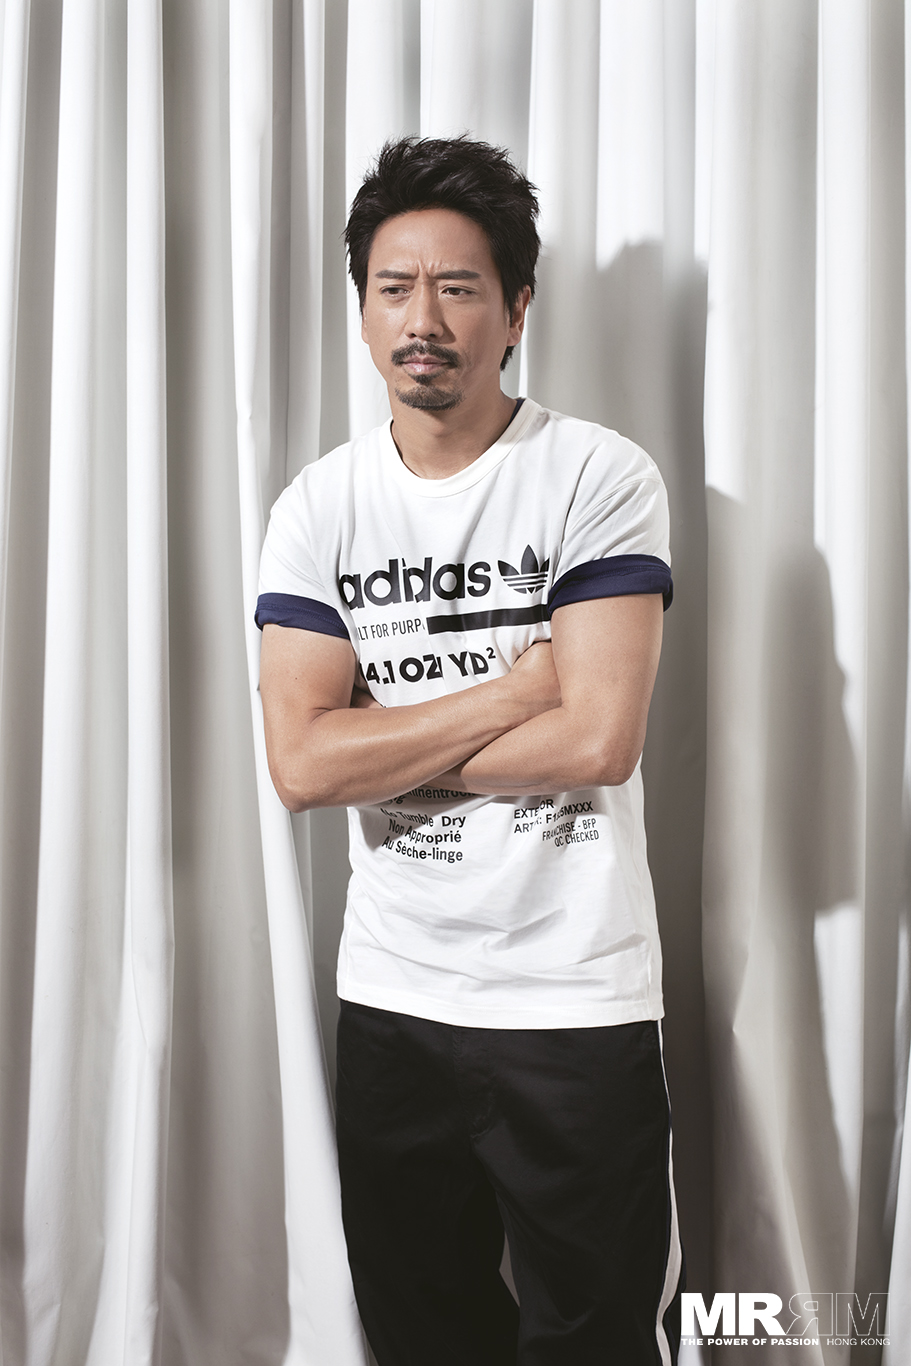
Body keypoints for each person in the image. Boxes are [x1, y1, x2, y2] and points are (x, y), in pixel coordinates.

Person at [256, 135, 683, 1366]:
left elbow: (596, 739)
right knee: (420, 1332)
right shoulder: (318, 507)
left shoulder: (594, 474)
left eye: (457, 288)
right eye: (394, 288)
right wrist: (517, 688)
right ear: (361, 312)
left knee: (595, 1335)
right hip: (393, 997)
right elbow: (299, 768)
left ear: (515, 309)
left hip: (573, 993)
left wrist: (380, 740)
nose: (423, 320)